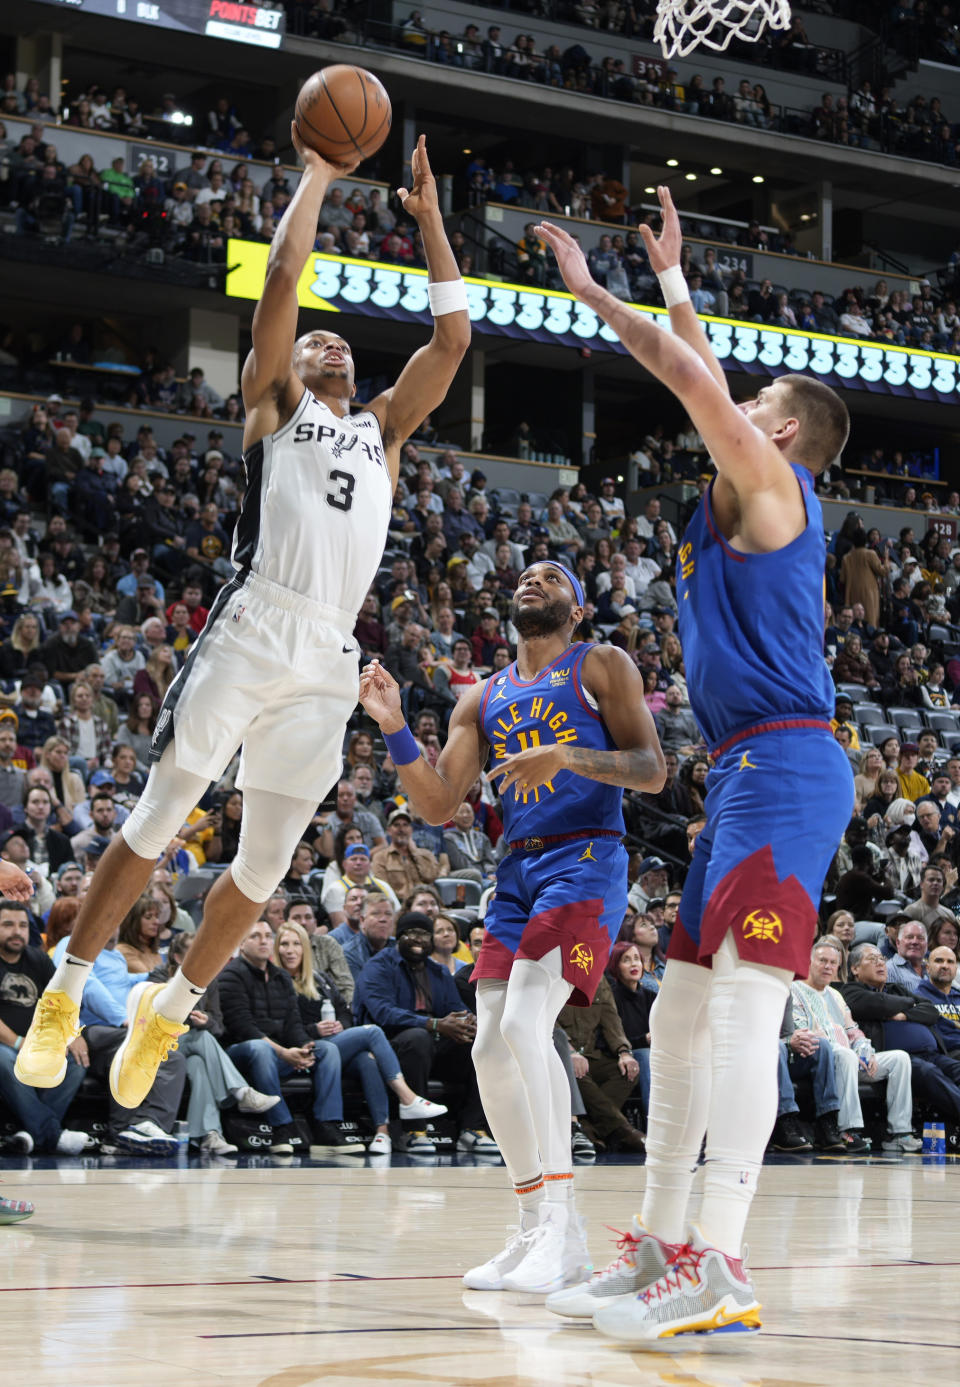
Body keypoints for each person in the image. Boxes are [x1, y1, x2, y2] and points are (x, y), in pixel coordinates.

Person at [15, 128, 470, 1113]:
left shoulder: (381, 431)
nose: (329, 342)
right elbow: (283, 281)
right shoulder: (275, 404)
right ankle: (61, 991)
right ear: (292, 362)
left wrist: (431, 220)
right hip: (253, 621)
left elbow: (452, 342)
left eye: (338, 339)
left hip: (326, 655)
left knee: (264, 865)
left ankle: (168, 1007)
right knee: (164, 810)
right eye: (316, 340)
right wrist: (318, 176)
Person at [537, 188, 853, 1340]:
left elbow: (692, 383)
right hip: (738, 772)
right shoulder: (743, 478)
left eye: (755, 404)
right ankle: (664, 1243)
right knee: (676, 1013)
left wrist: (598, 295)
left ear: (775, 434)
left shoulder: (778, 489)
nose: (735, 406)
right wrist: (673, 280)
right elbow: (709, 384)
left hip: (789, 765)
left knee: (739, 1017)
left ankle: (721, 1259)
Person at [360, 557, 663, 1295]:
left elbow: (653, 768)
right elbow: (436, 803)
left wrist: (568, 754)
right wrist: (396, 725)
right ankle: (532, 1224)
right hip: (517, 867)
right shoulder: (484, 695)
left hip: (587, 858)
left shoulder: (602, 664)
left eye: (553, 577)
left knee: (529, 1022)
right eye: (524, 574)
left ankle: (564, 1230)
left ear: (579, 609)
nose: (533, 580)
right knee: (492, 1042)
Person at [274, 918, 446, 1156]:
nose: (290, 950)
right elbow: (285, 1025)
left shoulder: (320, 978)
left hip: (332, 1043)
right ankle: (407, 1098)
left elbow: (345, 1011)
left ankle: (382, 1132)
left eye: (296, 943)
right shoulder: (277, 981)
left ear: (305, 947)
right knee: (373, 1032)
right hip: (302, 1048)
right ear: (277, 948)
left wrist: (341, 1026)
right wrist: (315, 1030)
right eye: (284, 944)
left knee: (367, 1059)